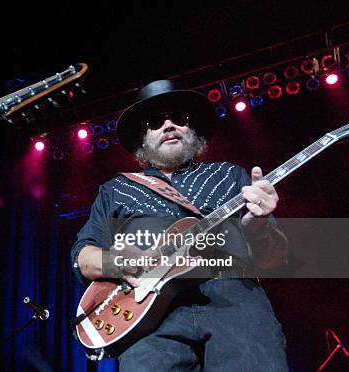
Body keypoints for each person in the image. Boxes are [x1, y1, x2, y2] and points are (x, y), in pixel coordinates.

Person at [71, 80, 289, 370]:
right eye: (156, 122)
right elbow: (82, 257)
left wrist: (258, 226)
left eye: (179, 118)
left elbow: (274, 261)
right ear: (142, 139)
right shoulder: (116, 189)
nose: (169, 125)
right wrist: (120, 262)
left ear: (193, 130)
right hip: (149, 317)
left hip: (235, 301)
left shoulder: (229, 174)